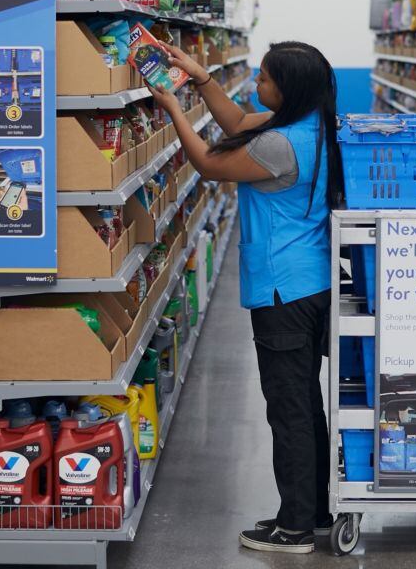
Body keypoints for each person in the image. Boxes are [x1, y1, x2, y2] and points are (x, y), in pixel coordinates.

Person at [147, 40, 343, 555]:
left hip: (283, 290)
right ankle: (317, 511)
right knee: (304, 401)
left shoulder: (280, 145)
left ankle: (295, 526)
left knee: (289, 408)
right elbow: (237, 124)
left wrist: (172, 107)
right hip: (310, 282)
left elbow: (211, 162)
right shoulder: (309, 126)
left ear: (288, 88)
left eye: (263, 78)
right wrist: (202, 78)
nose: (256, 86)